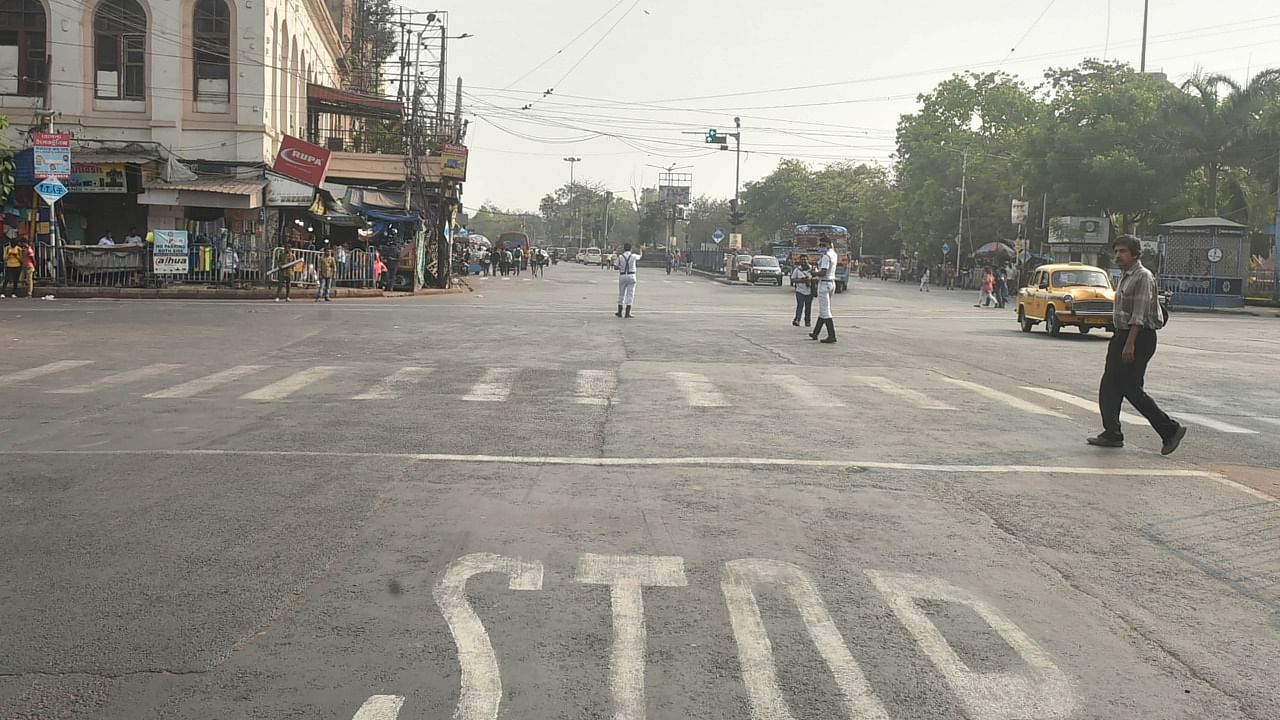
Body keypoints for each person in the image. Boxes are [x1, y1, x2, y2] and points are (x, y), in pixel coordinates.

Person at [1089, 235, 1185, 455]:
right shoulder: (1125, 276)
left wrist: (1130, 343)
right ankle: (1112, 432)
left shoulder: (1143, 277)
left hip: (1138, 337)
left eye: (1122, 251)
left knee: (1130, 387)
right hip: (1122, 334)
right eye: (1116, 252)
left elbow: (1139, 315)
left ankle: (1169, 429)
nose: (1118, 256)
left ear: (1134, 254)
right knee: (1110, 384)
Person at [809, 235, 838, 343]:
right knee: (823, 310)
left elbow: (823, 272)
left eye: (822, 245)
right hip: (831, 283)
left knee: (825, 311)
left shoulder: (826, 256)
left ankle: (832, 335)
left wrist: (814, 273)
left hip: (824, 284)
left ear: (828, 245)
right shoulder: (834, 254)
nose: (820, 247)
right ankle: (815, 333)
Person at [615, 242, 638, 318]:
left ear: (624, 249)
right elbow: (640, 257)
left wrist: (621, 267)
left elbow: (616, 266)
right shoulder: (633, 256)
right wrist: (641, 250)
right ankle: (627, 313)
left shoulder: (620, 257)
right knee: (630, 294)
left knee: (621, 294)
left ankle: (619, 312)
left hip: (622, 276)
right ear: (631, 249)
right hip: (631, 276)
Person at [791, 256, 814, 327]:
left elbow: (817, 278)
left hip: (809, 291)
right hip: (800, 291)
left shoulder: (812, 269)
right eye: (802, 260)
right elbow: (793, 279)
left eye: (805, 259)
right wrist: (801, 280)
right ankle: (797, 320)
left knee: (808, 307)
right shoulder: (797, 269)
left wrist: (810, 281)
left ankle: (807, 321)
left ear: (808, 260)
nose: (804, 261)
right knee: (800, 305)